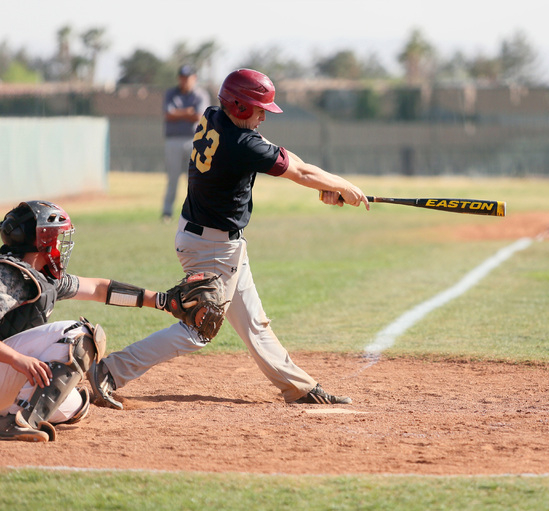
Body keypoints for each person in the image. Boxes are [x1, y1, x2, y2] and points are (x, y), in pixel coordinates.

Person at [90, 68, 369, 408]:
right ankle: (109, 372)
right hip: (212, 248)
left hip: (216, 241)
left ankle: (299, 387)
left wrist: (331, 186)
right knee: (198, 330)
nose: (264, 115)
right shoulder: (241, 143)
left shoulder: (216, 117)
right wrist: (343, 186)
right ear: (238, 106)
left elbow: (288, 158)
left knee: (253, 323)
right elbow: (300, 171)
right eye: (258, 108)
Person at [0, 200, 184, 442]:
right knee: (78, 334)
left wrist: (163, 301)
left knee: (74, 404)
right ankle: (15, 423)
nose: (59, 243)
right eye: (54, 236)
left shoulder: (43, 276)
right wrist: (19, 360)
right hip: (8, 365)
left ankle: (15, 412)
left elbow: (99, 289)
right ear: (40, 240)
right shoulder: (9, 275)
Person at [161, 64, 211, 222]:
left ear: (194, 78)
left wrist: (179, 113)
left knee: (195, 179)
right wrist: (187, 112)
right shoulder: (171, 93)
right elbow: (168, 115)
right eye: (182, 77)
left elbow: (198, 116)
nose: (185, 81)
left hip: (194, 141)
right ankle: (167, 213)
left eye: (188, 78)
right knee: (173, 178)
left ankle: (196, 213)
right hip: (173, 140)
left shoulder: (200, 94)